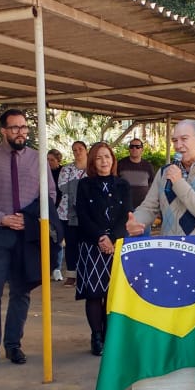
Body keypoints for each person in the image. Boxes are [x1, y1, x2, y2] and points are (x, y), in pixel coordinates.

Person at [0, 109, 58, 370]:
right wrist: (1, 218)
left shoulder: (37, 159)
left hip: (26, 235)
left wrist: (30, 220)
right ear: (4, 131)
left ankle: (13, 345)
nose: (21, 132)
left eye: (24, 128)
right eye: (15, 128)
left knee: (21, 292)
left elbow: (50, 195)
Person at [125, 119, 195, 238]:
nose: (178, 146)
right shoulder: (165, 172)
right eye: (175, 140)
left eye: (184, 139)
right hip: (170, 250)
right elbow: (149, 207)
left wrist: (178, 183)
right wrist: (136, 220)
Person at [75, 142, 132, 355]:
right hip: (91, 245)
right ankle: (96, 336)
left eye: (107, 157)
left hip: (116, 245)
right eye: (99, 158)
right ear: (92, 161)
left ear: (113, 160)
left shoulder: (122, 185)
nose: (104, 161)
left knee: (112, 292)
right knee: (93, 293)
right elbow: (83, 216)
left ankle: (110, 335)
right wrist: (100, 237)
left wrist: (112, 237)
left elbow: (127, 212)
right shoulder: (85, 185)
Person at [57, 141, 88, 287]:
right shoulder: (67, 169)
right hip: (68, 213)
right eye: (74, 150)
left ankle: (85, 274)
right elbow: (63, 186)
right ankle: (71, 275)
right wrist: (81, 187)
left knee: (86, 244)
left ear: (86, 150)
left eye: (80, 149)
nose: (78, 152)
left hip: (87, 213)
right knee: (71, 244)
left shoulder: (92, 169)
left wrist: (77, 186)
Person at [116, 138, 155, 212]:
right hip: (124, 207)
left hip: (144, 208)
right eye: (132, 146)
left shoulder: (148, 166)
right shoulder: (120, 164)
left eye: (137, 147)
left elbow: (152, 184)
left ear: (142, 149)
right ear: (129, 149)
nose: (134, 148)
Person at [47, 148, 65, 281]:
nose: (49, 162)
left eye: (52, 160)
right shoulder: (41, 172)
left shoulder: (63, 172)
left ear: (58, 160)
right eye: (47, 159)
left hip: (59, 210)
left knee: (57, 240)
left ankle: (57, 268)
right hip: (44, 209)